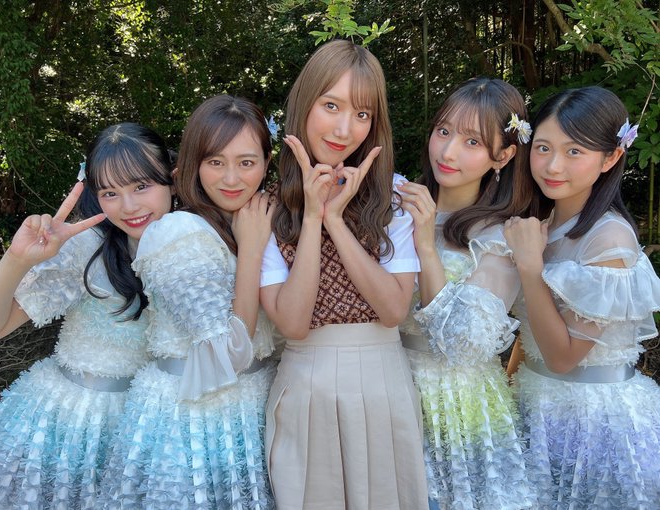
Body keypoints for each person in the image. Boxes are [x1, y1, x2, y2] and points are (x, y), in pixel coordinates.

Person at [260, 39, 429, 509]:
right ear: (304, 104)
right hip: (305, 384)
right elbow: (292, 323)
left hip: (384, 382)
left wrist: (336, 220)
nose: (344, 129)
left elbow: (393, 310)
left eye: (362, 114)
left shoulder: (393, 197)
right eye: (330, 106)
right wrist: (313, 217)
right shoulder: (268, 206)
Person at [0, 123, 174, 508]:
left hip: (150, 431)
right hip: (66, 428)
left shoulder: (196, 241)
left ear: (172, 178)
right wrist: (17, 260)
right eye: (110, 193)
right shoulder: (84, 247)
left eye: (142, 186)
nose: (129, 206)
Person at [98, 95, 276, 509]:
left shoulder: (255, 218)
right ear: (193, 164)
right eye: (215, 161)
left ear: (266, 164)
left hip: (253, 409)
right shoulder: (178, 232)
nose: (231, 178)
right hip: (195, 422)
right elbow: (228, 353)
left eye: (246, 162)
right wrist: (252, 251)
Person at [505, 86, 660, 509]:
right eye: (543, 148)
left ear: (610, 158)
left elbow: (564, 357)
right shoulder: (543, 221)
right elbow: (531, 332)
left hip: (593, 423)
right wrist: (509, 386)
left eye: (574, 151)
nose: (553, 165)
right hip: (535, 403)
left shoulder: (608, 240)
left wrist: (530, 268)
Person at [397, 77, 536, 509]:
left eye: (471, 141)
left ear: (504, 155)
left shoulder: (500, 237)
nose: (448, 151)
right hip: (386, 386)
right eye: (444, 131)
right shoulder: (394, 209)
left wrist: (425, 246)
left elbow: (462, 345)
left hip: (457, 406)